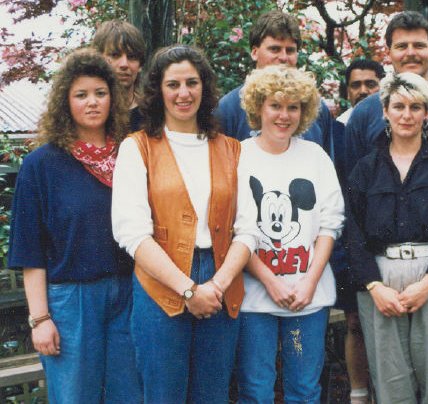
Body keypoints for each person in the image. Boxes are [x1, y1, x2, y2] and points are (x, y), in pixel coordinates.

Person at [112, 45, 259, 403]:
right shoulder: (138, 148)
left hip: (221, 282)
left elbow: (249, 229)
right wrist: (189, 290)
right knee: (164, 394)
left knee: (213, 393)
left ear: (204, 88)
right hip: (162, 283)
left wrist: (215, 286)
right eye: (173, 84)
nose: (183, 93)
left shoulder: (231, 149)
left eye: (192, 83)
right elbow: (131, 232)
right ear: (158, 91)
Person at [8, 48, 140, 403]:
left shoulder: (131, 154)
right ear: (66, 102)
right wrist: (40, 319)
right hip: (71, 302)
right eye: (81, 95)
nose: (92, 102)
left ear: (113, 97)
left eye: (100, 92)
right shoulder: (41, 165)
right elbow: (29, 249)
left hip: (129, 294)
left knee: (128, 395)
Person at [346, 72, 428, 404]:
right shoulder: (365, 169)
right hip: (382, 284)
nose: (407, 115)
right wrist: (375, 287)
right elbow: (353, 233)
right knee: (391, 387)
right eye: (399, 106)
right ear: (385, 111)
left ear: (427, 113)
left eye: (416, 107)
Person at [236, 64, 344, 403]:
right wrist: (269, 280)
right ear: (258, 107)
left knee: (304, 389)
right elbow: (234, 230)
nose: (284, 115)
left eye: (293, 107)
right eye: (276, 105)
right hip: (255, 297)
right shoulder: (238, 155)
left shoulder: (315, 156)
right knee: (256, 389)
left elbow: (330, 222)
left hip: (307, 295)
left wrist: (311, 279)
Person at [344, 11, 428, 173]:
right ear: (388, 53)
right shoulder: (363, 113)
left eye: (419, 45)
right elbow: (351, 179)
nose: (411, 53)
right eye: (401, 46)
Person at [331, 57, 384, 404]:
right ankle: (359, 393)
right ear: (346, 90)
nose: (363, 90)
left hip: (387, 238)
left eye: (370, 83)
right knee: (355, 322)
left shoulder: (388, 119)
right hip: (352, 237)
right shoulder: (337, 128)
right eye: (356, 84)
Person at [216, 9, 334, 157]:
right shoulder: (228, 109)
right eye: (275, 49)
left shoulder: (317, 108)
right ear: (254, 52)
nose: (283, 57)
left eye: (290, 50)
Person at [92, 19, 147, 131]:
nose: (124, 64)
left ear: (140, 65)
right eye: (115, 55)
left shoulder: (152, 114)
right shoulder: (89, 113)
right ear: (98, 58)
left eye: (131, 57)